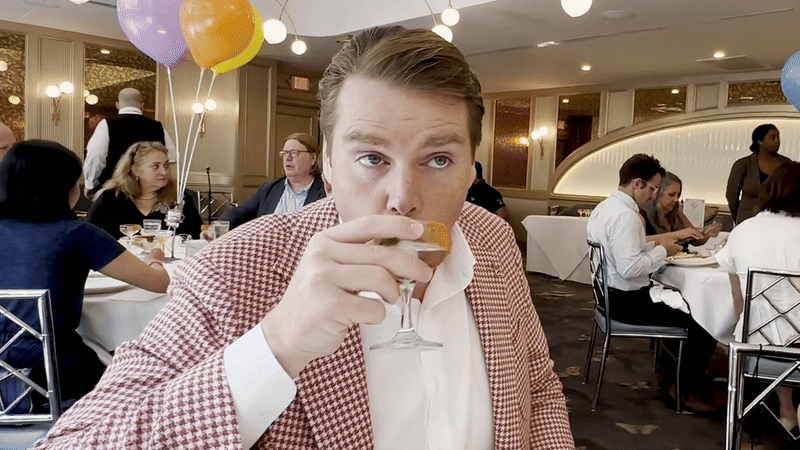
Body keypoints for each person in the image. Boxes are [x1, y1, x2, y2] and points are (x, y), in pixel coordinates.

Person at [35, 26, 574, 449]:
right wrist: (275, 347)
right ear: (331, 167)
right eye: (371, 158)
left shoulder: (493, 244)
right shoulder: (235, 269)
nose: (402, 196)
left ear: (471, 171)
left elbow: (539, 391)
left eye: (438, 158)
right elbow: (78, 440)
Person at [0, 140, 169, 409]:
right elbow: (159, 284)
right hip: (50, 377)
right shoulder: (76, 234)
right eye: (77, 182)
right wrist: (155, 260)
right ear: (62, 187)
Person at [586, 154, 719, 410]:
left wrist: (658, 247)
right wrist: (663, 251)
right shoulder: (624, 216)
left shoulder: (605, 208)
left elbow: (626, 256)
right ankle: (686, 391)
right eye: (652, 188)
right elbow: (629, 268)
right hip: (626, 301)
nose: (653, 194)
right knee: (703, 319)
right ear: (637, 183)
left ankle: (671, 377)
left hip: (609, 296)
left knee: (685, 308)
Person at [716, 161, 800, 431]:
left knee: (774, 327)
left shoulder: (742, 231)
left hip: (754, 352)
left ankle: (786, 408)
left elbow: (739, 306)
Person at [86, 141, 202, 240]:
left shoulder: (179, 197)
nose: (164, 172)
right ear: (135, 171)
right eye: (155, 166)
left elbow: (197, 235)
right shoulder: (111, 197)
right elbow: (87, 233)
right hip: (120, 264)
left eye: (166, 166)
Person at [83, 87, 176, 199]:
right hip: (148, 193)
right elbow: (172, 158)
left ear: (117, 104)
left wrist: (90, 184)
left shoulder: (107, 124)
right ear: (141, 105)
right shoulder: (157, 126)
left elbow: (95, 157)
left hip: (114, 192)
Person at [219, 133, 326, 230]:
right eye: (284, 153)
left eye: (294, 153)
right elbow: (240, 213)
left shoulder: (325, 192)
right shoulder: (269, 189)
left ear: (313, 158)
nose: (287, 158)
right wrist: (218, 225)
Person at [726, 124, 792, 225]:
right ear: (760, 141)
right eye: (772, 137)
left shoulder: (786, 164)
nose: (777, 141)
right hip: (748, 221)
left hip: (777, 222)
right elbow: (732, 197)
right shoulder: (743, 165)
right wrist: (739, 219)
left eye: (778, 137)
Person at [641, 171, 719, 244]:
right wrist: (679, 234)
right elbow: (641, 241)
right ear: (657, 194)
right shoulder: (642, 215)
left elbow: (696, 240)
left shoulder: (678, 214)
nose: (676, 200)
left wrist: (706, 234)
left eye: (678, 195)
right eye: (671, 194)